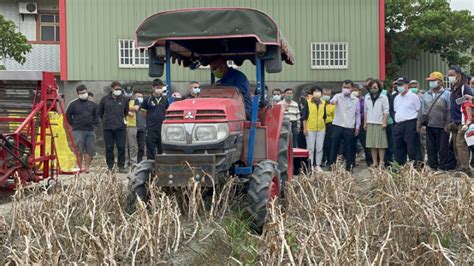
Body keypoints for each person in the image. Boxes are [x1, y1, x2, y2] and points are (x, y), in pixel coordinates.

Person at [417, 71, 453, 171]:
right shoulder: (426, 95)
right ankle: (433, 166)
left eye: (434, 81)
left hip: (443, 126)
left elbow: (450, 110)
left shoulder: (447, 94)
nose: (431, 83)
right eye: (430, 81)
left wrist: (448, 124)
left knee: (443, 148)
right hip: (430, 125)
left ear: (440, 82)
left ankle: (443, 166)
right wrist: (419, 124)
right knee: (430, 147)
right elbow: (422, 111)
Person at [328, 80, 361, 171]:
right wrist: (332, 101)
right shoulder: (338, 96)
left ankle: (349, 167)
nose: (345, 89)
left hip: (349, 126)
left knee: (349, 147)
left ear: (352, 88)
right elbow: (333, 101)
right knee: (334, 146)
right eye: (344, 87)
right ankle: (332, 165)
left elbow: (357, 114)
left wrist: (357, 126)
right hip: (337, 124)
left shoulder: (355, 100)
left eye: (348, 87)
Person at [66, 84, 99, 173]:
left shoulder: (93, 105)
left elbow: (97, 116)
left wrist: (94, 125)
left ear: (87, 91)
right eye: (81, 93)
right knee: (79, 148)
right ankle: (79, 166)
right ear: (77, 94)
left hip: (90, 130)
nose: (83, 94)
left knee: (90, 149)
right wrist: (74, 125)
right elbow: (68, 115)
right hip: (78, 130)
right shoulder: (73, 104)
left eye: (84, 92)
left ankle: (87, 167)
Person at [447, 65, 473, 174]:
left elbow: (469, 102)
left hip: (464, 120)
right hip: (455, 121)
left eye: (452, 75)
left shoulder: (465, 88)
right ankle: (460, 165)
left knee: (460, 144)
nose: (450, 77)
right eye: (449, 75)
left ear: (459, 75)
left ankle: (466, 169)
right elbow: (456, 103)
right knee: (455, 146)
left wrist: (468, 121)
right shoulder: (454, 88)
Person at [98, 81, 129, 172]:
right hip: (108, 128)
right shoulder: (105, 99)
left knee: (121, 147)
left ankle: (121, 166)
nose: (118, 91)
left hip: (120, 128)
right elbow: (100, 112)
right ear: (112, 89)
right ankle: (110, 166)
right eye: (116, 89)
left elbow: (126, 112)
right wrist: (105, 120)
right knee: (109, 148)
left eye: (119, 89)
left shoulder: (124, 100)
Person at [392, 77, 422, 165]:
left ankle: (417, 167)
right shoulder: (397, 97)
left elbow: (419, 110)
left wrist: (418, 125)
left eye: (402, 85)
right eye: (398, 85)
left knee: (413, 148)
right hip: (398, 125)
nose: (400, 87)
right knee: (398, 148)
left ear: (407, 85)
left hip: (410, 124)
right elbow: (395, 110)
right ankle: (400, 167)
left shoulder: (413, 96)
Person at [141, 79, 169, 160]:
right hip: (151, 128)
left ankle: (161, 167)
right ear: (153, 88)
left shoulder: (165, 99)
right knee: (150, 149)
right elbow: (143, 112)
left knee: (161, 149)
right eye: (157, 87)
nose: (159, 89)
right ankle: (151, 168)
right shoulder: (147, 99)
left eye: (160, 87)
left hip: (162, 128)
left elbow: (167, 111)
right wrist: (150, 120)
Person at [364, 79, 389, 168]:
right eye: (372, 87)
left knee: (381, 144)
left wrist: (384, 122)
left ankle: (381, 162)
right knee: (372, 144)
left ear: (379, 87)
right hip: (370, 122)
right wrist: (365, 123)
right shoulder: (367, 97)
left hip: (380, 122)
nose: (373, 88)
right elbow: (365, 111)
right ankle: (375, 162)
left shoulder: (383, 97)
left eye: (375, 87)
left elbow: (386, 111)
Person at [302, 85, 326, 172]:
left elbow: (324, 116)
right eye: (315, 91)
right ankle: (311, 164)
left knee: (319, 147)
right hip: (310, 128)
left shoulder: (323, 103)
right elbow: (304, 117)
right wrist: (305, 128)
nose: (317, 93)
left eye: (319, 91)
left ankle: (318, 165)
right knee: (310, 147)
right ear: (312, 93)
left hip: (321, 128)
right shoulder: (307, 103)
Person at [352, 86, 373, 166]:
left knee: (365, 144)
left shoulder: (365, 100)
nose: (354, 92)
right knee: (351, 144)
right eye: (353, 90)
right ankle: (351, 162)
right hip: (351, 124)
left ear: (360, 91)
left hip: (362, 123)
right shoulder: (350, 100)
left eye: (356, 90)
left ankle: (370, 161)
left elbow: (366, 112)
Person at [125, 87, 139, 167]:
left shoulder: (135, 100)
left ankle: (133, 162)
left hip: (132, 125)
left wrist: (125, 109)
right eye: (127, 92)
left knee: (133, 145)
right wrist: (128, 111)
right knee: (124, 146)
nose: (128, 93)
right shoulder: (121, 99)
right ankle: (126, 162)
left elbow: (136, 108)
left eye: (130, 92)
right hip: (122, 125)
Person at [321, 88, 335, 166]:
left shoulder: (332, 103)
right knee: (321, 144)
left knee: (329, 143)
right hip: (321, 124)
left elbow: (334, 115)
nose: (326, 96)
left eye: (328, 95)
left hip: (330, 124)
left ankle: (330, 161)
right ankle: (322, 160)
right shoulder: (320, 103)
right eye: (325, 94)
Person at [135, 92, 146, 163]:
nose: (140, 98)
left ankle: (139, 161)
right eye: (138, 96)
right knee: (132, 147)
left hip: (142, 128)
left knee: (141, 146)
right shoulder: (131, 105)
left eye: (141, 96)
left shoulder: (144, 106)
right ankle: (131, 161)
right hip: (133, 127)